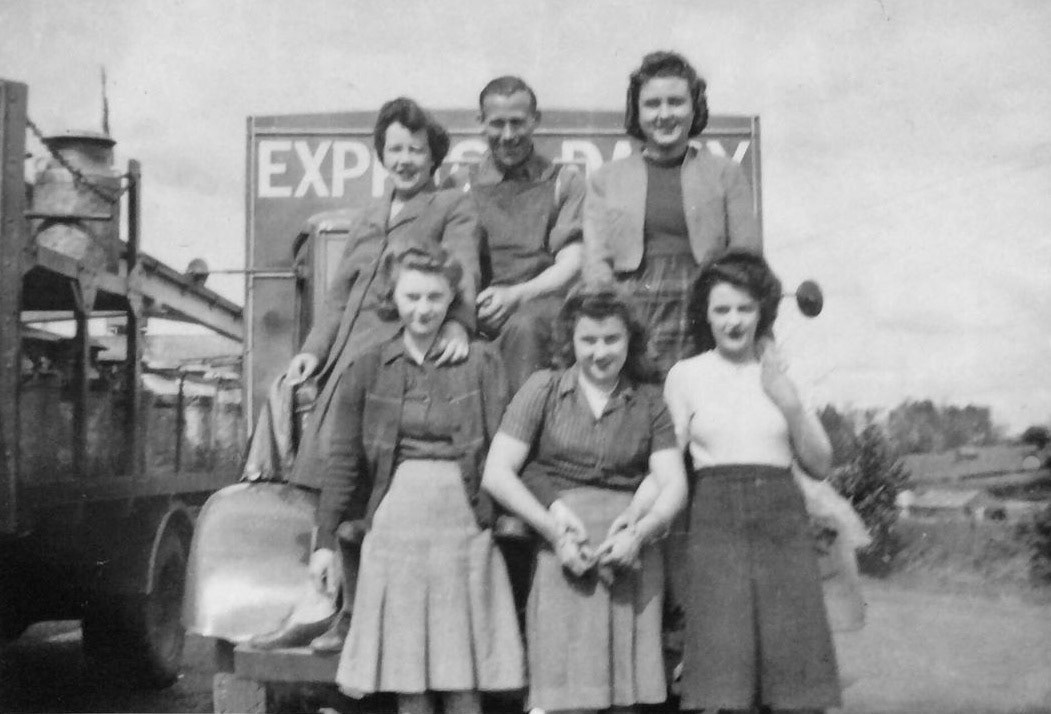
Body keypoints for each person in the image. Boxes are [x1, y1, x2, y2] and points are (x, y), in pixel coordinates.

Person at [315, 247, 524, 714]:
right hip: (396, 528)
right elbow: (343, 461)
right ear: (393, 297)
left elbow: (506, 447)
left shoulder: (482, 362)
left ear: (451, 299)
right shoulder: (368, 367)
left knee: (462, 676)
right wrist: (324, 543)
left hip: (465, 524)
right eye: (412, 297)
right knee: (408, 678)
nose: (423, 309)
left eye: (435, 297)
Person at [482, 285, 687, 713]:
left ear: (630, 339)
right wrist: (553, 531)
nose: (600, 352)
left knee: (623, 698)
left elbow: (673, 484)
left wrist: (638, 532)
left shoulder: (649, 400)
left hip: (629, 556)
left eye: (612, 339)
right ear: (570, 340)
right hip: (564, 555)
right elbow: (497, 473)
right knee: (560, 694)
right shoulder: (543, 389)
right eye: (588, 340)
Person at [663, 248, 841, 712]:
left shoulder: (781, 371)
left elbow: (820, 463)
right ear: (705, 314)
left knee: (792, 678)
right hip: (715, 524)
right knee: (725, 680)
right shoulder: (685, 376)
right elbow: (668, 463)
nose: (734, 321)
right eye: (722, 309)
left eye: (745, 308)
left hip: (782, 523)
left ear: (763, 310)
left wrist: (788, 401)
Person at [284, 97, 482, 490]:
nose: (404, 160)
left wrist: (458, 324)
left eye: (416, 150)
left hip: (395, 351)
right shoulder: (368, 216)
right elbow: (339, 295)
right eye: (395, 150)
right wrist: (312, 351)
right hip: (346, 357)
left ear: (433, 157)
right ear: (382, 155)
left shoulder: (451, 205)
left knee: (368, 475)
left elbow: (463, 267)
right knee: (323, 474)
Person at [583, 50, 761, 376]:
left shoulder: (726, 173)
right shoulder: (605, 180)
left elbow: (746, 261)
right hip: (632, 309)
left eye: (676, 102)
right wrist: (612, 321)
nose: (664, 114)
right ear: (636, 111)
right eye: (652, 104)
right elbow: (597, 266)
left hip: (703, 308)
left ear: (695, 107)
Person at [464, 75, 585, 392]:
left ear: (535, 120)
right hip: (482, 308)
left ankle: (522, 420)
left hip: (540, 307)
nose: (508, 135)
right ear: (481, 123)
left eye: (517, 123)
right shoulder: (461, 185)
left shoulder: (564, 182)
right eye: (497, 124)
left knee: (525, 328)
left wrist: (517, 295)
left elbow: (572, 263)